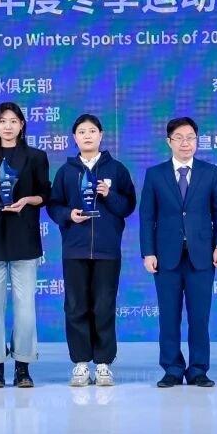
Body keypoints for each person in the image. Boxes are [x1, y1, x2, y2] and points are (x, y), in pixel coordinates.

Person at [47, 114, 137, 387]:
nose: (87, 136)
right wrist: (68, 215)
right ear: (74, 138)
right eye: (82, 132)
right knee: (76, 306)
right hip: (74, 250)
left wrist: (109, 194)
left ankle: (104, 363)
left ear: (101, 135)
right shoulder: (66, 171)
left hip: (107, 251)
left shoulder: (116, 170)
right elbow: (54, 205)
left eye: (92, 131)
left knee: (104, 306)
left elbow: (128, 206)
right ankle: (80, 363)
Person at [139, 117, 217, 388]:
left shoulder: (210, 172)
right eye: (179, 138)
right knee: (169, 316)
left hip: (202, 255)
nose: (185, 143)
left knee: (199, 317)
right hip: (166, 256)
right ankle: (172, 368)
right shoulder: (155, 174)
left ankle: (198, 369)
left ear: (197, 141)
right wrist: (148, 252)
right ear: (169, 142)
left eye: (190, 137)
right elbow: (147, 217)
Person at [0, 102, 51, 389]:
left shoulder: (36, 157)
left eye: (13, 120)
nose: (8, 126)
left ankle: (23, 366)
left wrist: (27, 200)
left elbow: (45, 194)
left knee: (25, 309)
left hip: (24, 237)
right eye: (2, 121)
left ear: (22, 125)